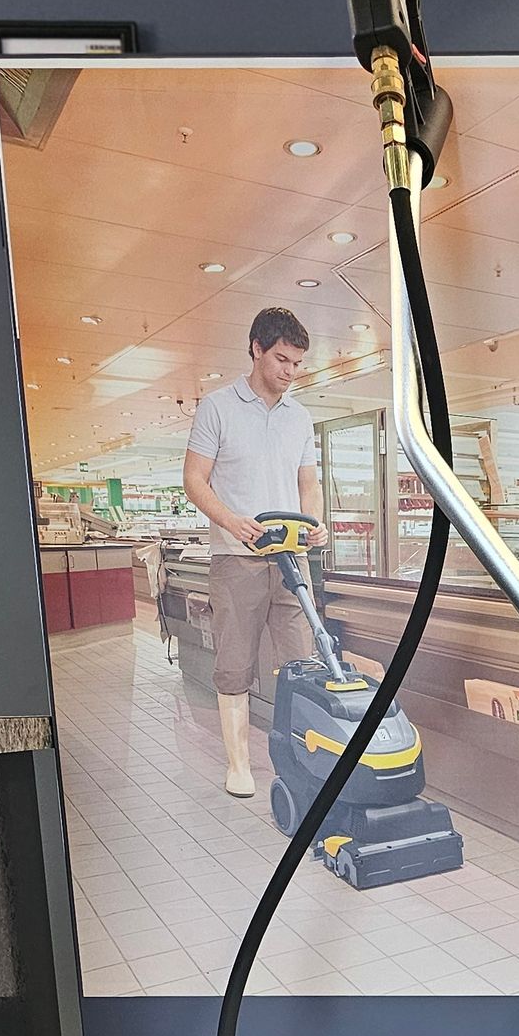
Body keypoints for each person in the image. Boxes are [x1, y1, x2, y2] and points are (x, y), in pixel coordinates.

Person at [182, 307, 327, 797]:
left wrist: (315, 521)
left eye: (297, 364)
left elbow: (309, 483)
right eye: (282, 360)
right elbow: (194, 480)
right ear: (256, 349)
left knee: (302, 662)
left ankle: (302, 758)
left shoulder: (300, 417)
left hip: (293, 559)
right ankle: (239, 764)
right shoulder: (218, 407)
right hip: (236, 559)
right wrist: (231, 521)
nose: (290, 372)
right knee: (235, 664)